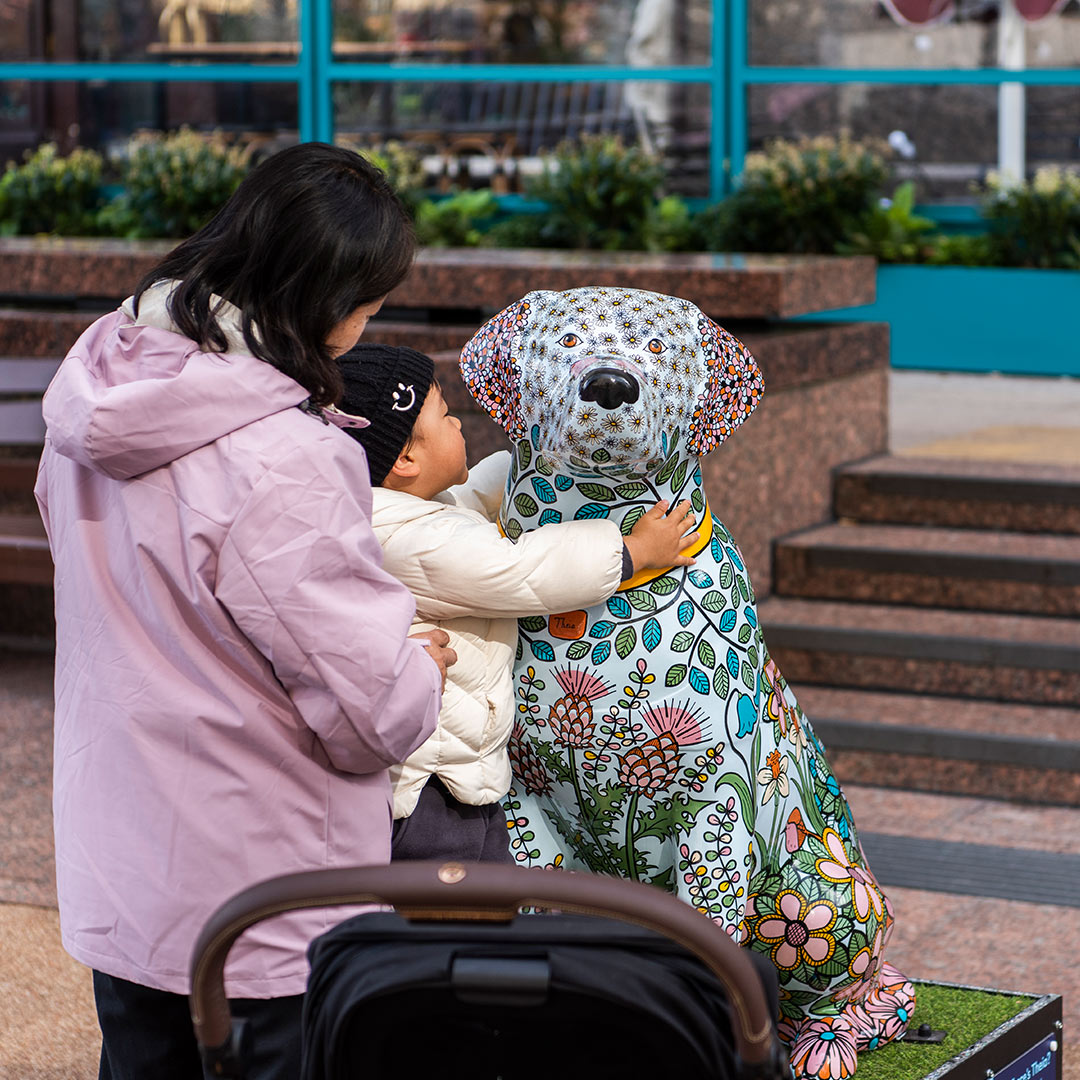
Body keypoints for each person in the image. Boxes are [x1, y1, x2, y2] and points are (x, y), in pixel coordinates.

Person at [34, 144, 456, 1080]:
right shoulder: (282, 458)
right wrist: (422, 665)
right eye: (368, 307)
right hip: (264, 887)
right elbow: (369, 713)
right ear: (321, 297)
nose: (364, 327)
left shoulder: (97, 390)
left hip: (125, 859)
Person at [334, 343, 700, 864]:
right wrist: (633, 551)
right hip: (427, 790)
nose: (459, 423)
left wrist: (535, 453)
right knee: (446, 915)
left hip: (456, 770)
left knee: (489, 906)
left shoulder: (402, 513)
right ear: (407, 458)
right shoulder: (403, 541)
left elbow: (465, 503)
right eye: (444, 415)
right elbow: (518, 567)